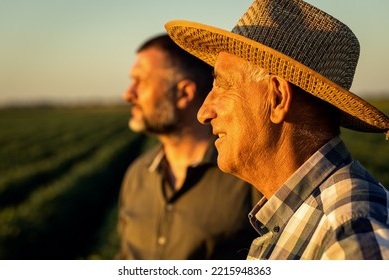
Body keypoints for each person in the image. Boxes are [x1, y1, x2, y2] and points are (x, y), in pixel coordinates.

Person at [165, 0, 389, 260]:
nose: (203, 113)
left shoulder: (351, 232)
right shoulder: (303, 216)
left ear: (278, 98)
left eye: (223, 86)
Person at [117, 34, 262, 260]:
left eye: (140, 82)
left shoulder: (247, 177)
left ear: (184, 93)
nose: (128, 94)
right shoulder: (137, 174)